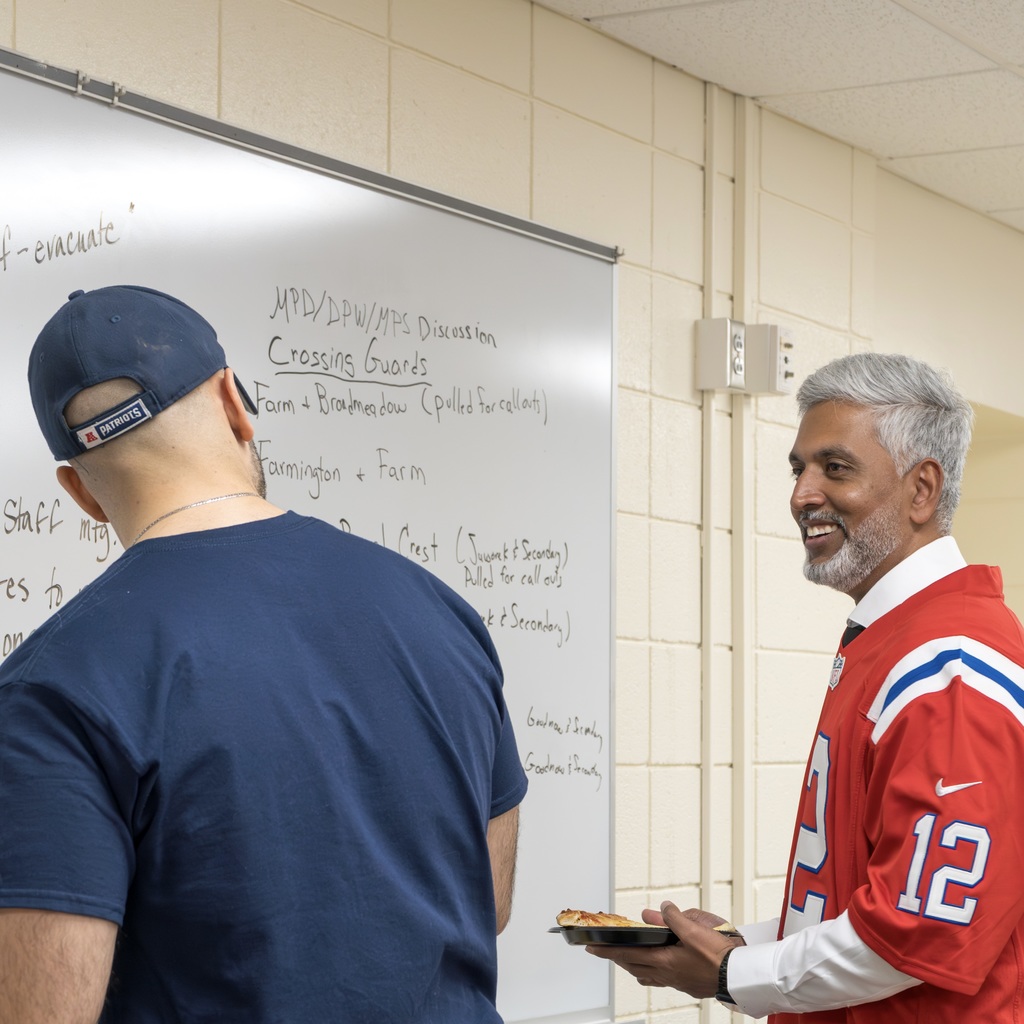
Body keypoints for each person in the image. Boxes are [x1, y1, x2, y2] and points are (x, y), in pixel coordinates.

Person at [0, 284, 528, 1023]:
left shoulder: (51, 688)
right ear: (232, 403)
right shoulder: (441, 611)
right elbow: (490, 900)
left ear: (79, 493)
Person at [588, 352, 1024, 1020]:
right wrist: (737, 944)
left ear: (921, 490)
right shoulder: (894, 637)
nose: (801, 494)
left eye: (835, 468)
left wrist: (734, 972)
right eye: (799, 469)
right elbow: (863, 896)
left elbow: (920, 933)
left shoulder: (951, 666)